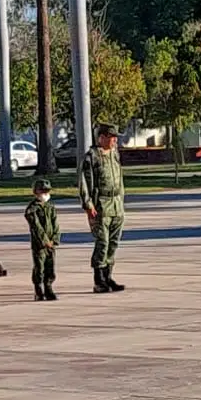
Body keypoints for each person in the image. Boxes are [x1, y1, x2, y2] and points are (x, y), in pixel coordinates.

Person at [79, 123, 126, 293]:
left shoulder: (114, 154)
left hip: (116, 203)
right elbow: (84, 182)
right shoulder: (92, 157)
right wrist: (88, 204)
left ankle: (108, 276)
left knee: (114, 241)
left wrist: (121, 199)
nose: (115, 140)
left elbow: (119, 178)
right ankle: (99, 280)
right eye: (112, 137)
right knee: (102, 242)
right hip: (101, 204)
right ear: (102, 137)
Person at [24, 179, 61, 302]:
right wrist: (45, 240)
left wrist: (55, 238)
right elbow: (36, 226)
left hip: (51, 243)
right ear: (35, 192)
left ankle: (48, 287)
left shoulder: (50, 207)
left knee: (50, 266)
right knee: (39, 267)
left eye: (46, 191)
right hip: (39, 244)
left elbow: (55, 223)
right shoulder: (32, 209)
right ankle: (38, 289)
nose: (44, 194)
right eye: (42, 191)